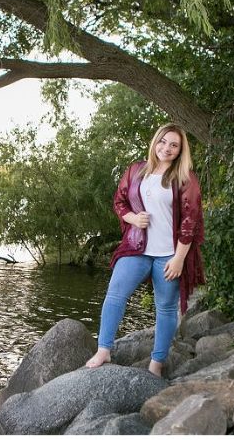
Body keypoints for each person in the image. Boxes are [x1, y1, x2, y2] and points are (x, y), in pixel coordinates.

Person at [85, 124, 204, 376]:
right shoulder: (136, 171)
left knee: (166, 307)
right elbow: (119, 201)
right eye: (163, 142)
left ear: (181, 150)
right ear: (155, 142)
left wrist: (180, 259)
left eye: (174, 145)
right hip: (136, 247)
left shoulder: (185, 178)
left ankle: (156, 364)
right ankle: (104, 350)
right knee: (115, 293)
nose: (166, 148)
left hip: (169, 254)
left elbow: (190, 222)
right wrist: (132, 219)